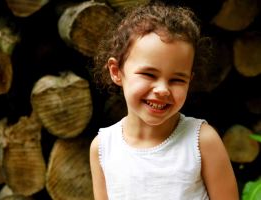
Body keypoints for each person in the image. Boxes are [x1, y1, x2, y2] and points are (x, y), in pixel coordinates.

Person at [89, 2, 239, 200]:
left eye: (177, 79)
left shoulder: (202, 141)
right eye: (149, 74)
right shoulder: (102, 147)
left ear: (189, 80)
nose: (162, 90)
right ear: (116, 71)